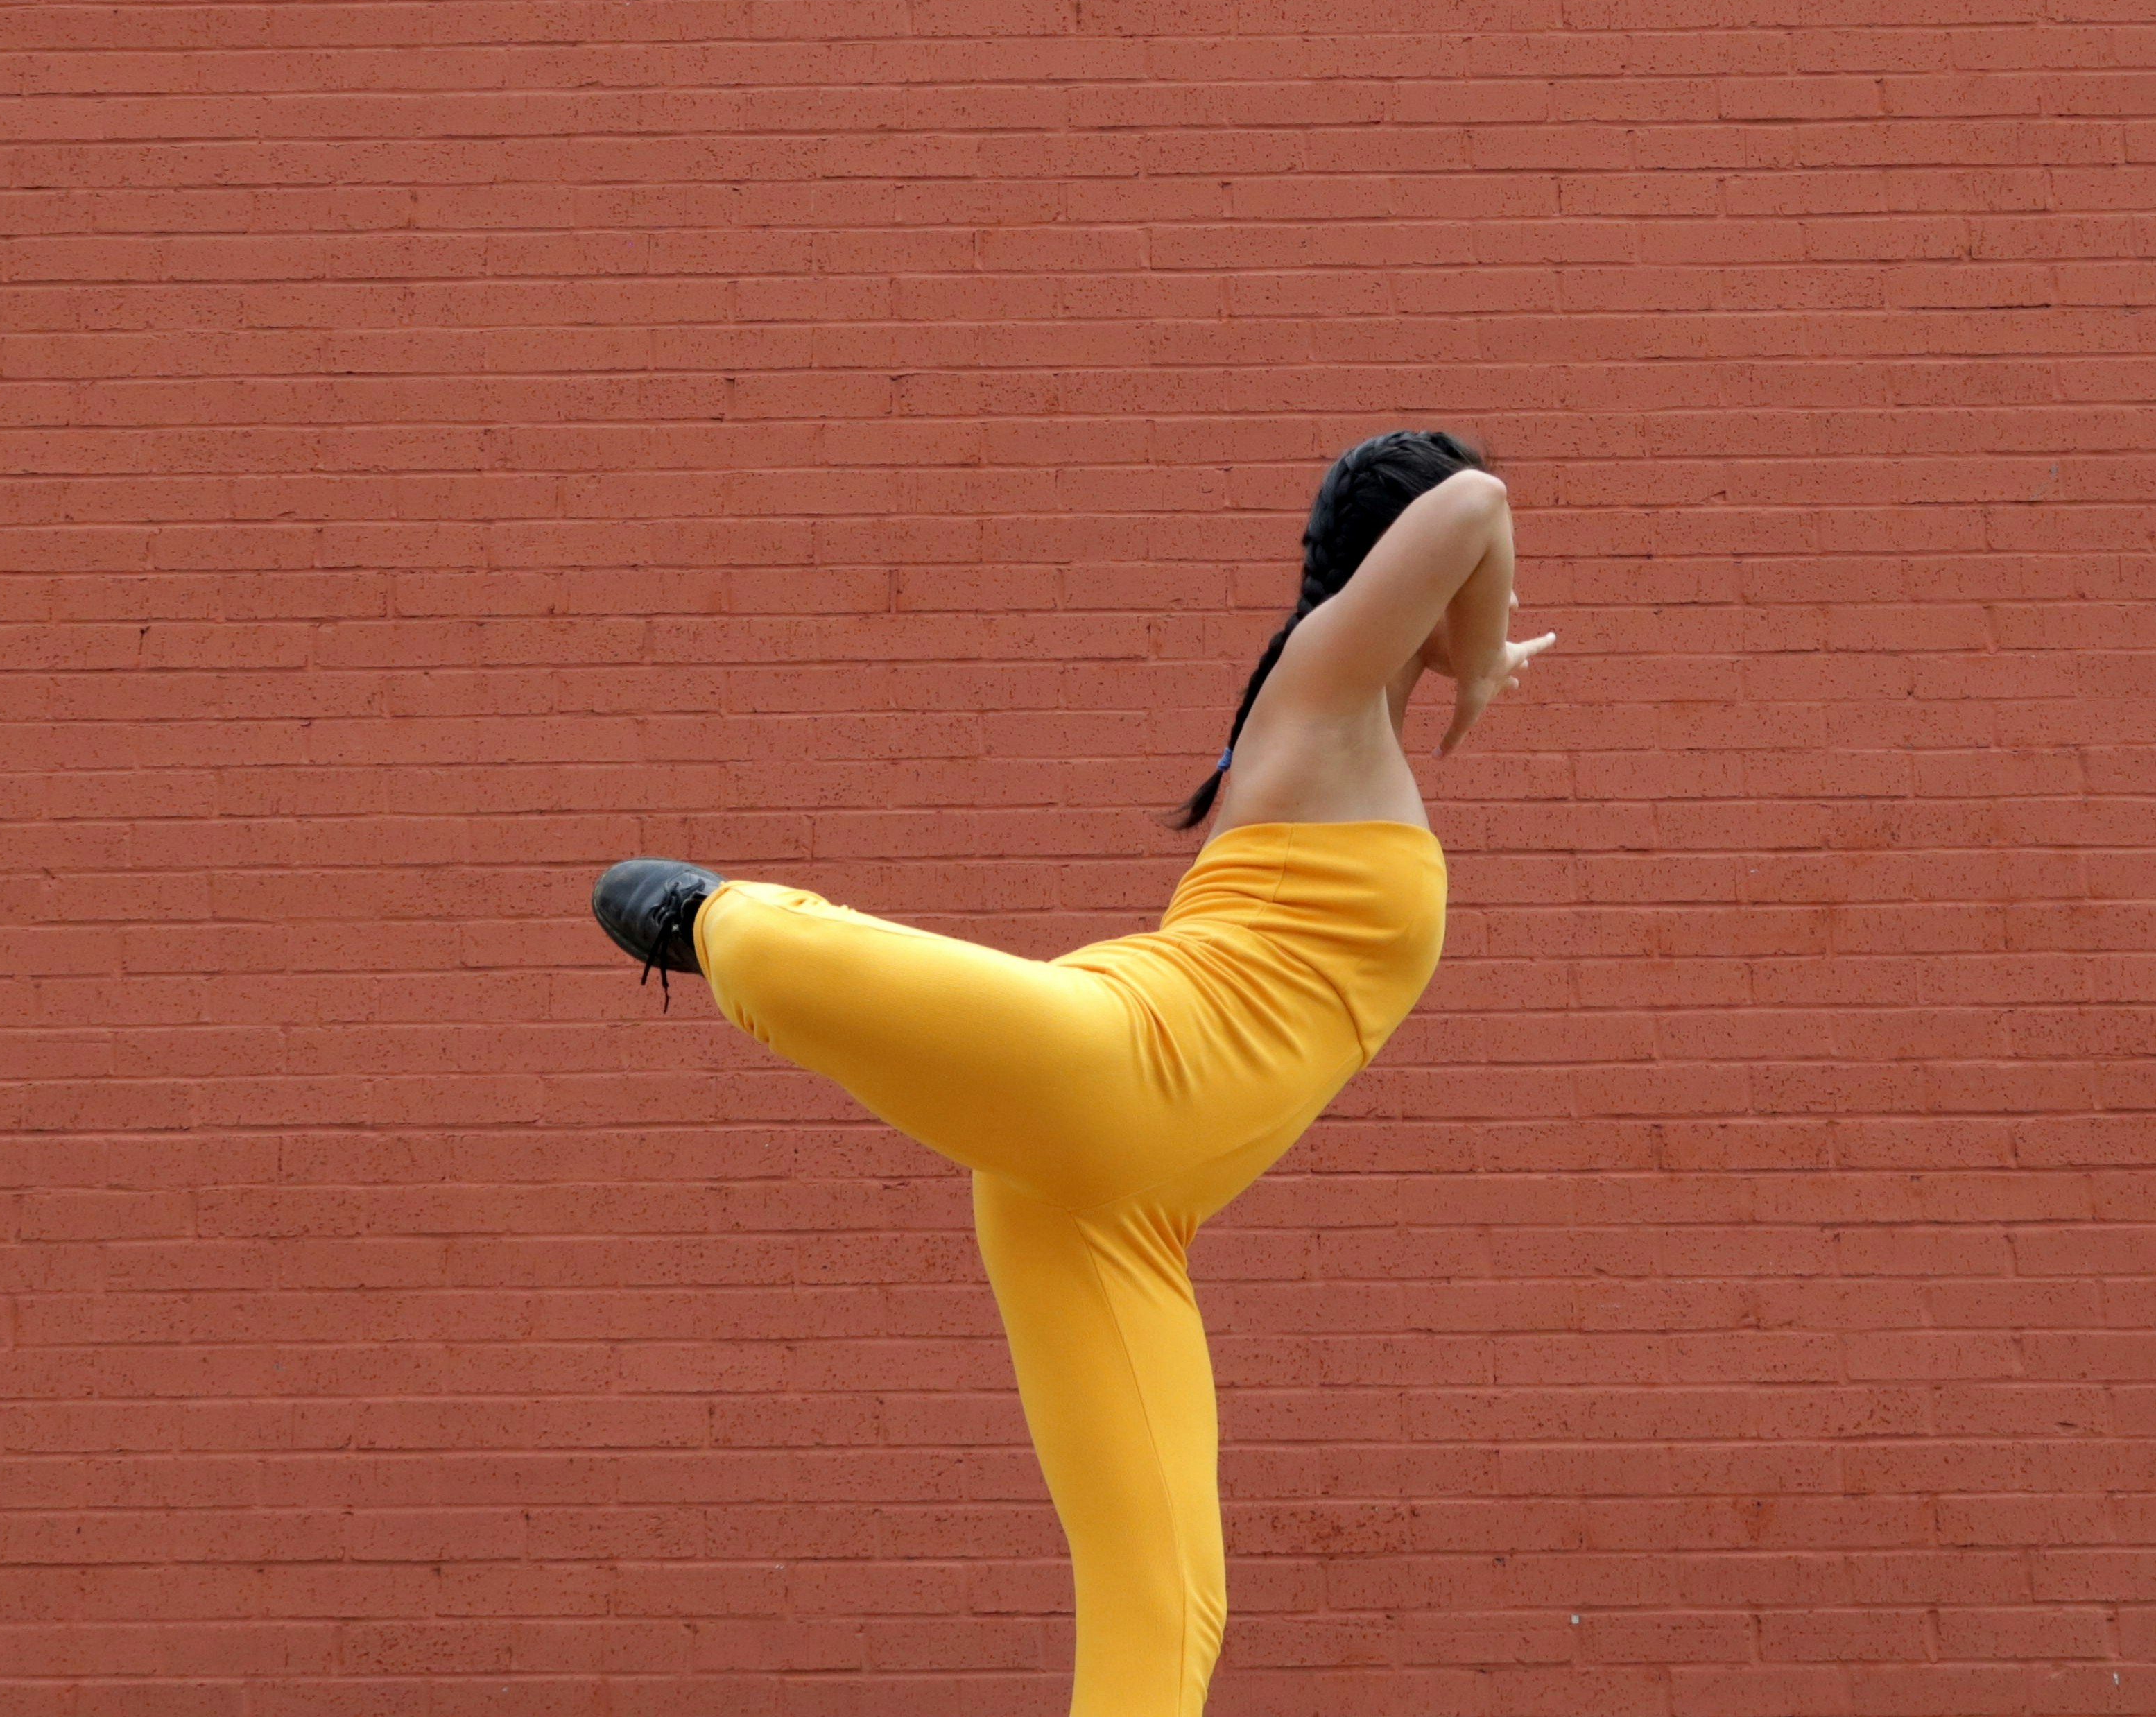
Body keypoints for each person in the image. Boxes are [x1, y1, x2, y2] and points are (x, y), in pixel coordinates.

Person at [588, 429, 1553, 1717]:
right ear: (1409, 576)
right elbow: (1477, 499)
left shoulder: (1344, 710)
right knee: (784, 947)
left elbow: (1467, 520)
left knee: (1168, 1604)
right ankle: (713, 921)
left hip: (1125, 1216)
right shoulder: (1320, 679)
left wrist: (1467, 641)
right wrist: (1481, 654)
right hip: (1123, 1067)